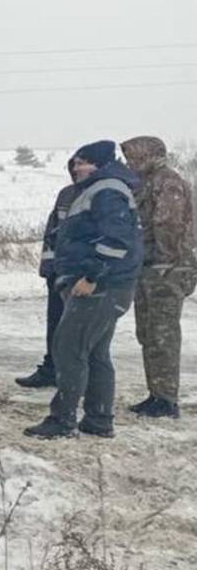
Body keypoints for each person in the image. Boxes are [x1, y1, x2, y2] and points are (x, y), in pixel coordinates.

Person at [25, 140, 144, 439]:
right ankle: (98, 419)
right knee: (95, 353)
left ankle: (62, 420)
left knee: (69, 349)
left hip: (101, 288)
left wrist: (92, 276)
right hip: (105, 286)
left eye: (83, 162)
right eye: (75, 162)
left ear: (101, 163)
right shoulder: (96, 188)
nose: (76, 167)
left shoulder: (108, 190)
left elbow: (116, 241)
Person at [121, 136, 197, 418]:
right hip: (150, 265)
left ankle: (166, 399)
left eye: (134, 158)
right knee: (148, 332)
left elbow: (169, 223)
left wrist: (165, 259)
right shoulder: (147, 182)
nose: (130, 163)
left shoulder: (167, 181)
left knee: (163, 334)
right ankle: (156, 393)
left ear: (148, 155)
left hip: (167, 268)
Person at [16, 160, 82, 388]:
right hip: (58, 272)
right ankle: (51, 368)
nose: (76, 171)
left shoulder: (100, 195)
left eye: (81, 165)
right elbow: (53, 232)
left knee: (79, 329)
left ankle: (77, 376)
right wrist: (48, 268)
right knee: (55, 322)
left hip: (81, 275)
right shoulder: (66, 194)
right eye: (74, 167)